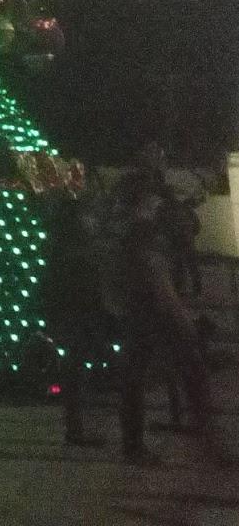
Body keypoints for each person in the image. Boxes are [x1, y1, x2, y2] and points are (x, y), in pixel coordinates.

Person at [112, 170, 221, 466]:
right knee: (176, 372)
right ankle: (200, 440)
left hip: (148, 311)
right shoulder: (140, 233)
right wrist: (176, 310)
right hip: (150, 311)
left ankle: (199, 438)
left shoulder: (140, 231)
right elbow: (154, 273)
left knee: (161, 373)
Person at [39, 189, 108, 449]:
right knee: (75, 369)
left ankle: (76, 426)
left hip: (68, 314)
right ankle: (76, 429)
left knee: (74, 368)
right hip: (77, 314)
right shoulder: (75, 253)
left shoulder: (58, 248)